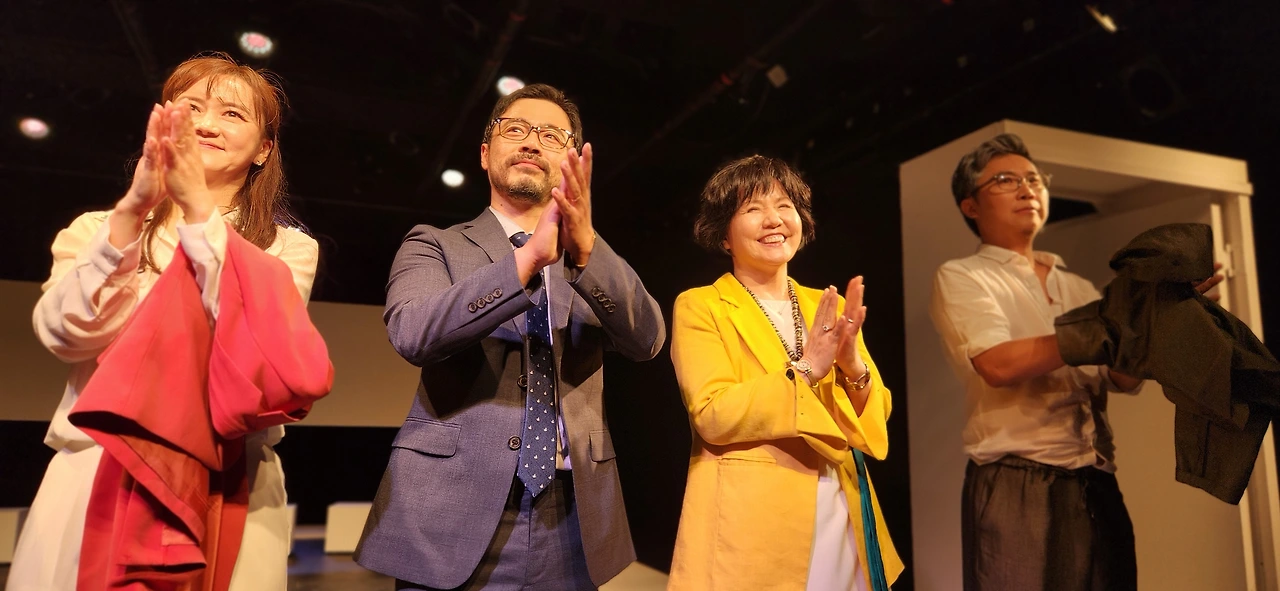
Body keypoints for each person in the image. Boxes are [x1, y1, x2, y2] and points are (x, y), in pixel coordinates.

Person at [9, 52, 320, 591]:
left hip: (230, 478)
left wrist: (198, 212)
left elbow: (254, 349)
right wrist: (132, 213)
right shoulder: (100, 227)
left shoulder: (287, 248)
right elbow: (66, 336)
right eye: (191, 107)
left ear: (264, 149)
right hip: (97, 464)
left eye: (231, 114)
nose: (206, 124)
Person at [354, 83, 666, 591]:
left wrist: (586, 248)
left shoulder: (589, 260)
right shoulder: (435, 244)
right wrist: (526, 261)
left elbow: (648, 339)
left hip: (572, 519)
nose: (531, 141)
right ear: (485, 153)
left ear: (571, 161)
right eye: (515, 129)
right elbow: (412, 333)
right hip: (450, 511)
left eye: (550, 135)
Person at [667, 155, 902, 590]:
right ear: (724, 235)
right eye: (753, 208)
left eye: (784, 206)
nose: (773, 219)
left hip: (841, 508)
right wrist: (806, 369)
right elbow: (713, 414)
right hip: (753, 523)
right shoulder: (701, 306)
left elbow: (874, 418)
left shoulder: (825, 305)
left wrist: (853, 366)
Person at [929, 133, 1153, 590]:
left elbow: (1124, 378)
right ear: (970, 206)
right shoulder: (963, 275)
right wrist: (1103, 325)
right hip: (1017, 480)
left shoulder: (1078, 287)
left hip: (1096, 480)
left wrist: (1156, 317)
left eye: (1034, 179)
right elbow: (998, 365)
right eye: (1006, 181)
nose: (1027, 189)